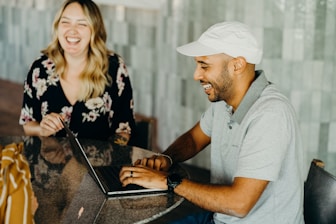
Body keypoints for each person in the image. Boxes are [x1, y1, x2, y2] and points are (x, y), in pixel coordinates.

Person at [120, 21, 305, 223]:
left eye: (204, 65)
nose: (196, 75)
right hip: (220, 218)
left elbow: (239, 204)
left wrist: (167, 181)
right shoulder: (225, 101)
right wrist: (167, 159)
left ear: (237, 65)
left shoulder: (270, 114)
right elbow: (194, 138)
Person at [19, 0, 135, 144]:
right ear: (57, 27)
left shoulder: (114, 68)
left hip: (97, 165)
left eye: (82, 24)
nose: (72, 30)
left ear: (94, 29)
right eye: (65, 22)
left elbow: (123, 129)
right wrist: (41, 130)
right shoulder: (40, 68)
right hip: (50, 163)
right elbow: (28, 124)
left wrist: (107, 161)